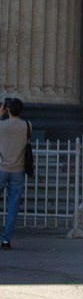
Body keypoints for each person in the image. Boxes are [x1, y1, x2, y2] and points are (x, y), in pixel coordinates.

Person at [0, 96, 31, 251]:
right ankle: (6, 240)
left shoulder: (2, 125)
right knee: (12, 206)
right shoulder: (27, 125)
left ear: (7, 109)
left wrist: (0, 113)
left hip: (2, 168)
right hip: (18, 170)